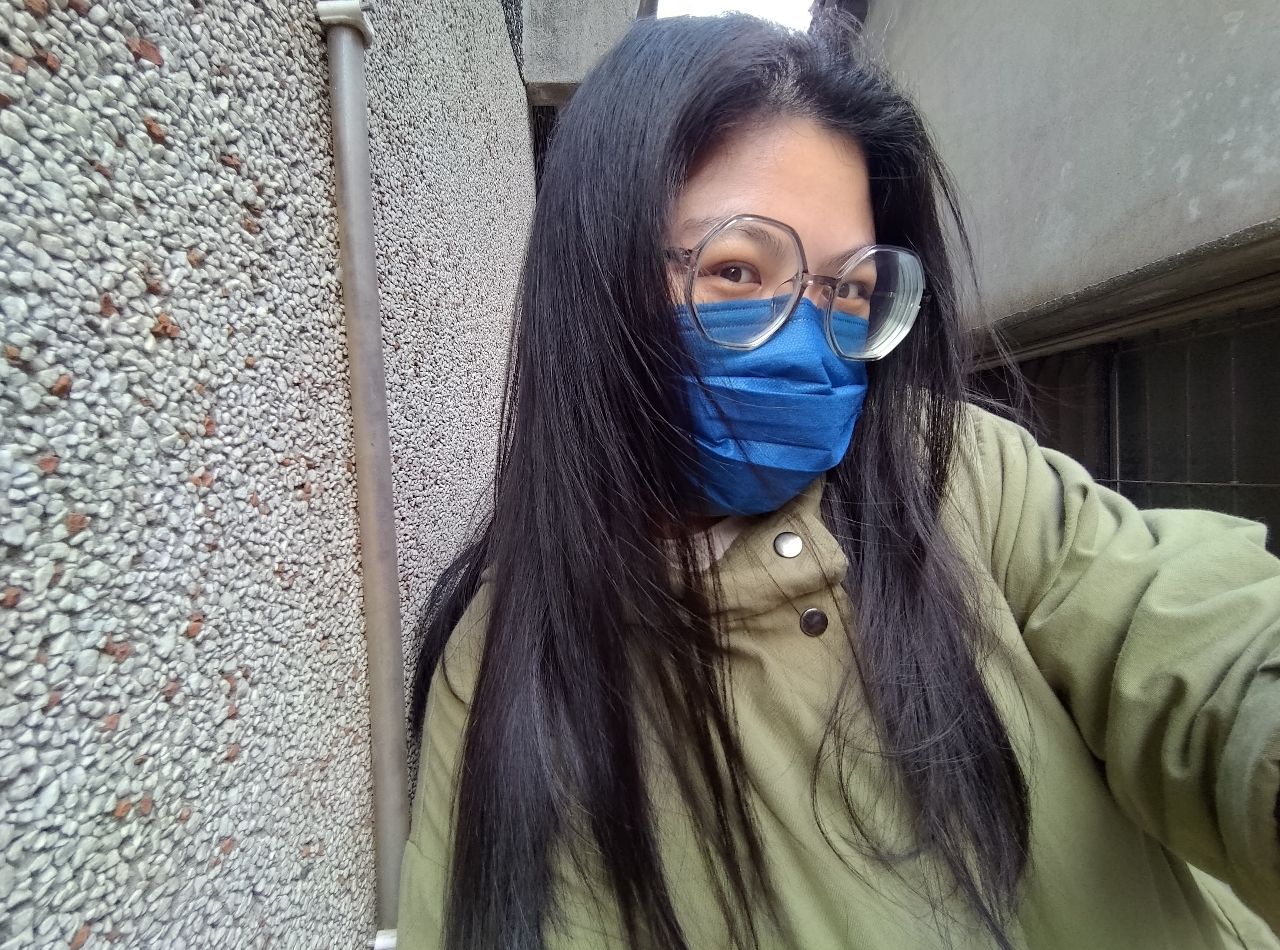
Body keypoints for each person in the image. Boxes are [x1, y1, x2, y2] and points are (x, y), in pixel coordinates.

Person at [396, 13, 1280, 950]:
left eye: (850, 289)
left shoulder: (955, 472)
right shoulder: (503, 671)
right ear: (595, 282)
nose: (811, 341)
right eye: (737, 268)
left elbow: (1194, 637)